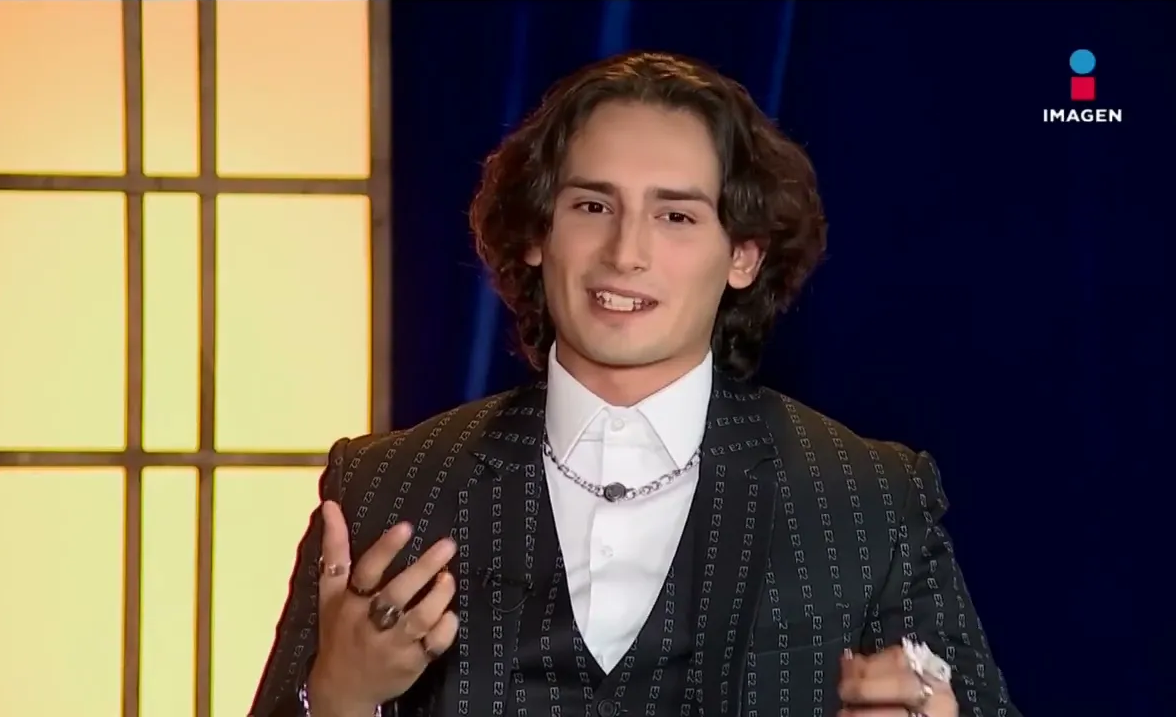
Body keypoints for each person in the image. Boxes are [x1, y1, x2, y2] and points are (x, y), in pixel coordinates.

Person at [248, 51, 1020, 717]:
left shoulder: (864, 497)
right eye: (592, 205)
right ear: (537, 233)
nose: (625, 253)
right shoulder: (387, 487)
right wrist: (338, 695)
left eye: (676, 217)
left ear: (743, 255)